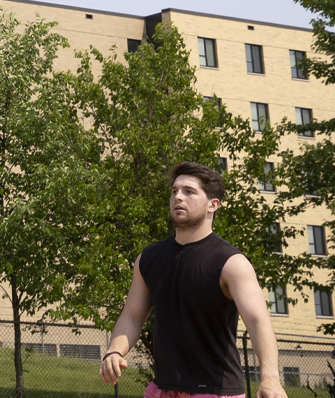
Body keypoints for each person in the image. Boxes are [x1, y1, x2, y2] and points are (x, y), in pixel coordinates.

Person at [100, 162, 289, 398]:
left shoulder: (232, 263)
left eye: (189, 191)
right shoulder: (148, 258)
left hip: (215, 392)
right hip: (162, 390)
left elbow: (257, 321)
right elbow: (132, 315)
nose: (178, 196)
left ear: (213, 204)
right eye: (174, 191)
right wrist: (114, 351)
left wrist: (270, 379)